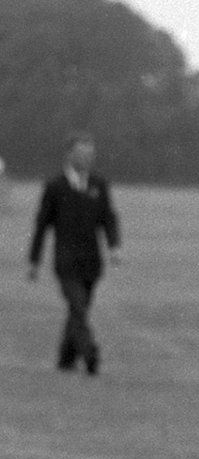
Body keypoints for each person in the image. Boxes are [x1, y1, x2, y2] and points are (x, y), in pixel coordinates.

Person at [28, 132, 121, 375]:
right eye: (81, 154)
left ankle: (66, 358)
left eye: (90, 154)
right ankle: (90, 353)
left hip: (92, 262)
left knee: (78, 309)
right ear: (69, 155)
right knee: (78, 307)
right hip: (66, 261)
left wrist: (114, 247)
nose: (87, 159)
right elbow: (42, 225)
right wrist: (34, 261)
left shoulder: (99, 185)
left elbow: (108, 219)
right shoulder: (55, 187)